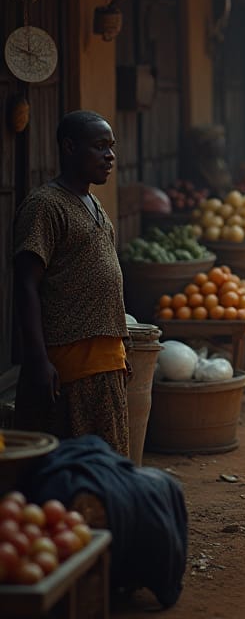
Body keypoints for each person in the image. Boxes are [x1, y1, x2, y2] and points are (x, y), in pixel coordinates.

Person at [13, 110, 130, 455]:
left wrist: (122, 347)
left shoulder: (93, 202)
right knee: (68, 466)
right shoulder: (44, 205)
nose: (109, 156)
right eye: (99, 146)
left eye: (111, 146)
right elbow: (25, 286)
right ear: (69, 147)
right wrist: (37, 360)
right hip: (68, 367)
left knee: (106, 466)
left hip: (105, 364)